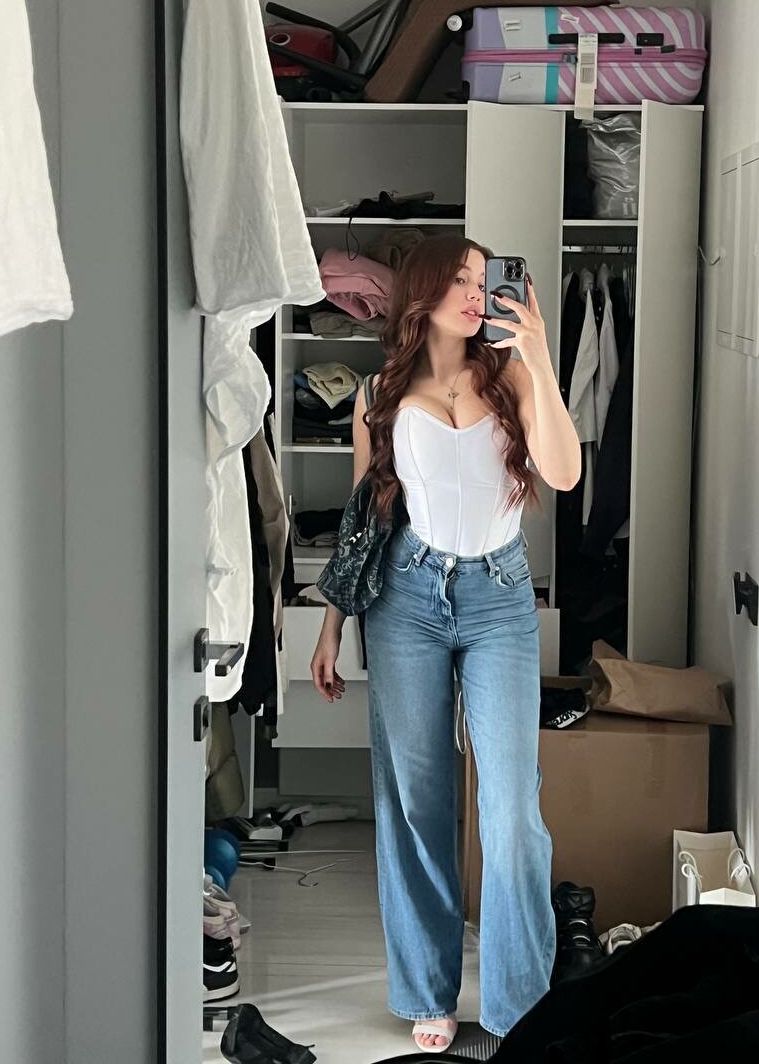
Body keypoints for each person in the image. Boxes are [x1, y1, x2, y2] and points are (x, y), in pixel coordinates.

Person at [310, 236, 581, 1052]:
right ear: (422, 293)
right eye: (459, 279)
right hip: (407, 597)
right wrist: (332, 623)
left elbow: (564, 474)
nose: (474, 292)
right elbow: (364, 516)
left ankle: (518, 1004)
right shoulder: (378, 394)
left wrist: (538, 354)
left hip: (499, 596)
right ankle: (428, 992)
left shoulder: (512, 378)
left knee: (512, 808)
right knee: (415, 801)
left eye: (483, 280)